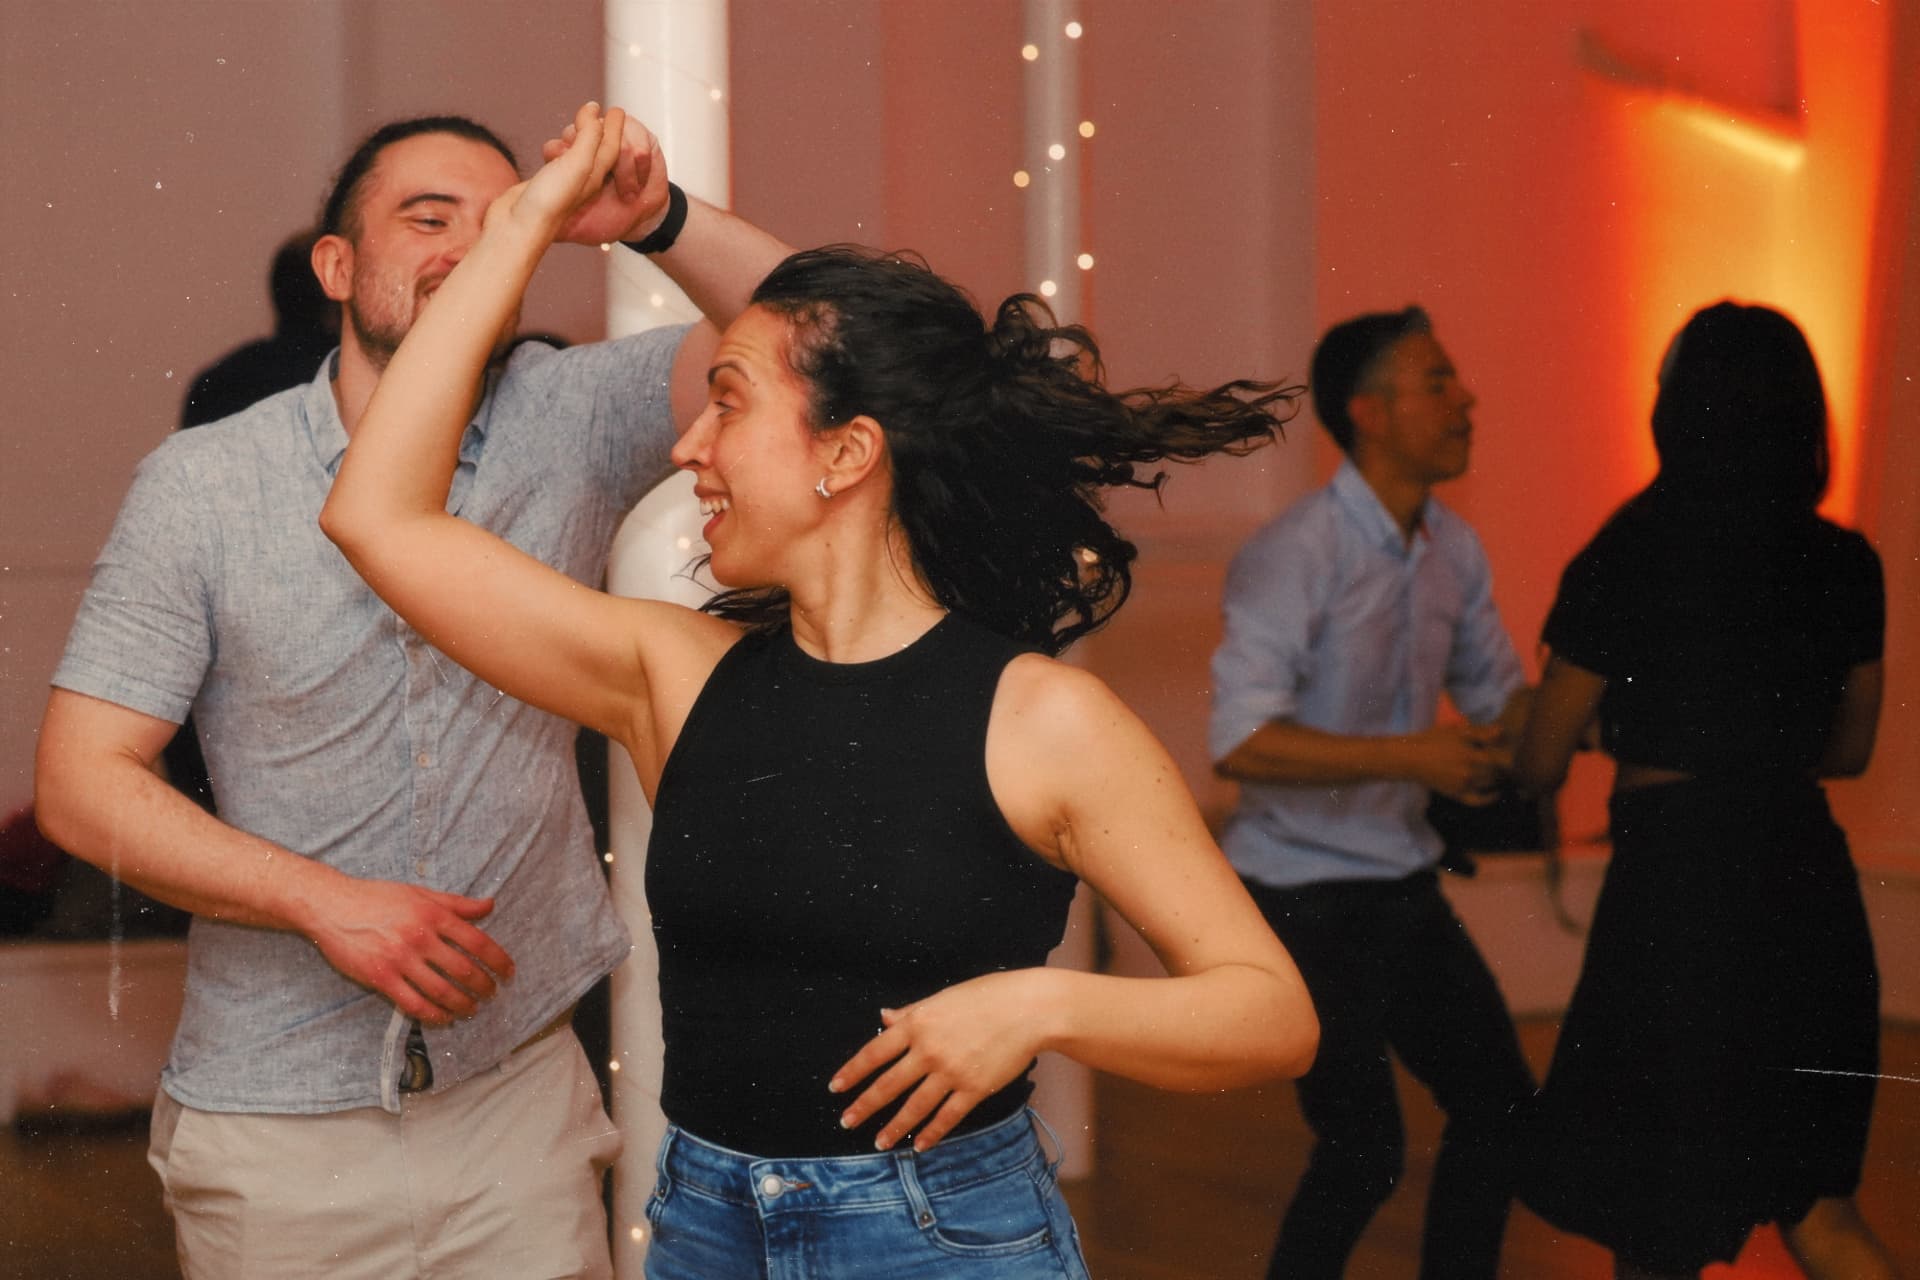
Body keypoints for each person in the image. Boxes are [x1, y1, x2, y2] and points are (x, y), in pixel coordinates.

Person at [320, 103, 1320, 1279]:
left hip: (938, 1236)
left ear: (847, 453)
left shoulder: (1041, 718)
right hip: (703, 1223)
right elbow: (376, 514)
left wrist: (1038, 1006)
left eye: (729, 401)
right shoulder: (673, 675)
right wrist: (529, 225)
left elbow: (1269, 1011)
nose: (689, 446)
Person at [34, 106, 791, 1278]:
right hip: (278, 1121)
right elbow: (81, 783)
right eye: (427, 219)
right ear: (337, 266)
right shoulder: (205, 485)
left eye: (499, 223)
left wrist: (659, 217)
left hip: (517, 1107)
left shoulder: (574, 413)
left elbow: (823, 330)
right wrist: (324, 902)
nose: (464, 248)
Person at [1513, 302, 1900, 1280]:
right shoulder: (1847, 562)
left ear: (1680, 407)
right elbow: (1849, 752)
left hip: (1677, 893)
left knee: (1657, 1229)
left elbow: (1540, 757)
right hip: (1809, 885)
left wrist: (1604, 724)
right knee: (1823, 1214)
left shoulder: (1630, 547)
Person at [1208, 306, 1535, 1279]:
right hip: (1297, 893)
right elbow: (1241, 741)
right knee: (1363, 1149)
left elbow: (1499, 700)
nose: (1467, 398)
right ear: (1370, 412)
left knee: (1500, 1107)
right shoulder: (1296, 551)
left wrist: (1592, 693)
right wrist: (1414, 757)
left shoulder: (1453, 549)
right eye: (1438, 380)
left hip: (1400, 882)